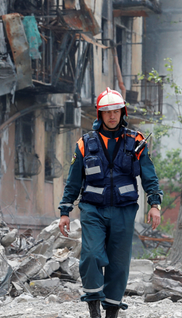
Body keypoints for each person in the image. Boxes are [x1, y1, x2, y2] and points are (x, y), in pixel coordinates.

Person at [57, 88, 163, 318]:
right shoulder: (85, 143)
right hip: (92, 209)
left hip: (124, 211)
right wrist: (65, 210)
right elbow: (74, 181)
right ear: (100, 115)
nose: (112, 116)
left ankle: (112, 312)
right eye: (107, 112)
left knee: (118, 263)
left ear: (122, 112)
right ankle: (94, 307)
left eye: (116, 111)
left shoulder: (136, 141)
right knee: (93, 255)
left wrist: (154, 204)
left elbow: (149, 175)